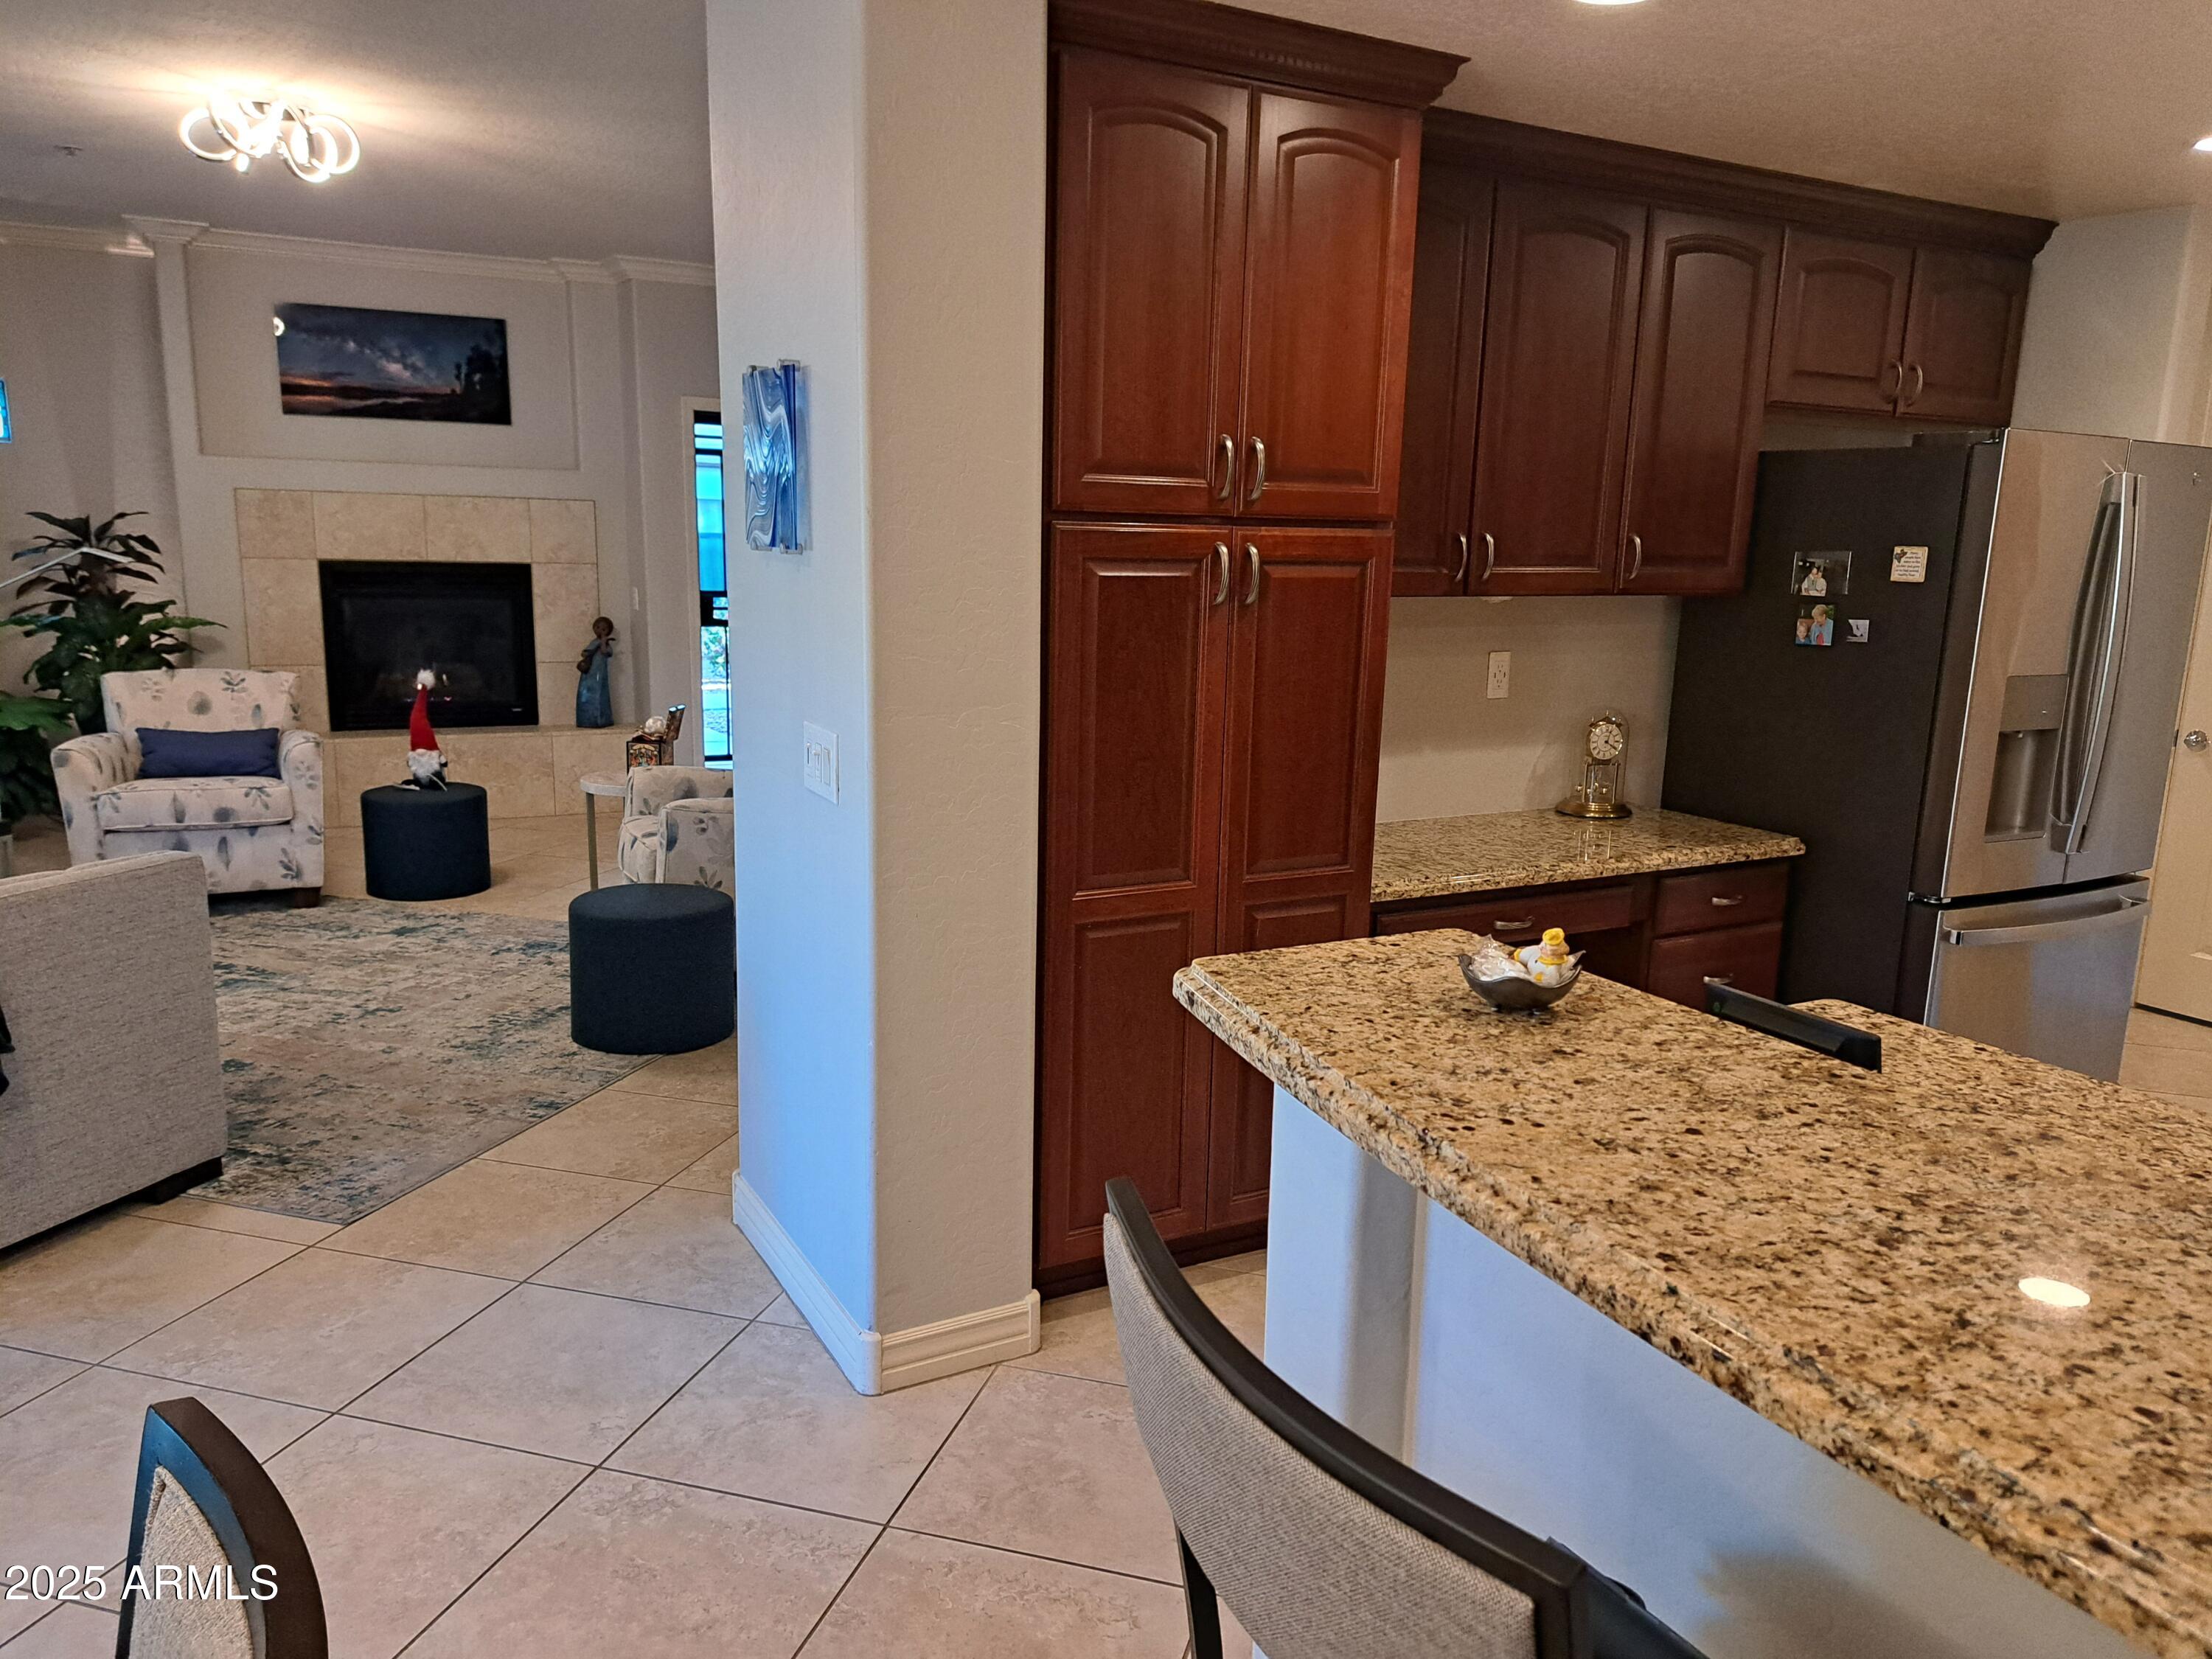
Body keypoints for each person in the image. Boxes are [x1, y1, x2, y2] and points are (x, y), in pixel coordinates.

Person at [576, 616, 616, 727]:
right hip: (590, 672)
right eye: (598, 627)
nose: (600, 631)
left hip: (600, 671)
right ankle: (587, 718)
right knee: (588, 692)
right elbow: (584, 653)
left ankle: (601, 718)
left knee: (600, 692)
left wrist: (603, 642)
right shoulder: (594, 642)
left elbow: (605, 652)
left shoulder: (606, 643)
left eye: (604, 629)